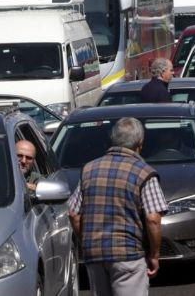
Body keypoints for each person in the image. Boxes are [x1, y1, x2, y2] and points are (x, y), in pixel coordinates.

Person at [68, 117, 168, 296]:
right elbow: (153, 218)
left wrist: (87, 242)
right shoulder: (144, 172)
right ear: (140, 143)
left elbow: (74, 213)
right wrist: (154, 254)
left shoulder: (89, 169)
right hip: (128, 255)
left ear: (112, 139)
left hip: (95, 255)